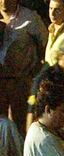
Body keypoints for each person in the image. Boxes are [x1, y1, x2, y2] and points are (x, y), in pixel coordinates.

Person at [0, 0, 47, 132]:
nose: (3, 1)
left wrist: (35, 77)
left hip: (20, 83)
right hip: (0, 84)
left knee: (21, 126)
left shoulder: (30, 18)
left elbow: (46, 47)